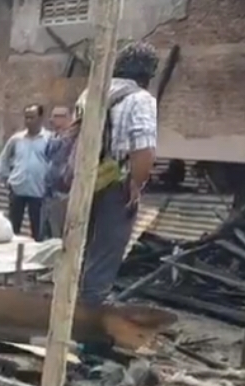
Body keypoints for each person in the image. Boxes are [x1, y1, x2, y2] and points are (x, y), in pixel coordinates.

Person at [74, 41, 160, 306]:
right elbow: (143, 150)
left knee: (82, 246)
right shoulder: (140, 99)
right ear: (148, 72)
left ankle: (72, 304)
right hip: (116, 185)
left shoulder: (89, 93)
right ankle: (91, 313)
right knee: (106, 251)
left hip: (83, 181)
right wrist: (136, 184)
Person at [0, 104, 51, 241]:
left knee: (38, 230)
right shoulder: (16, 139)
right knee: (13, 227)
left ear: (40, 118)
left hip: (38, 190)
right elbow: (4, 157)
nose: (28, 121)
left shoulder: (49, 139)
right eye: (26, 117)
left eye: (32, 117)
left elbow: (53, 162)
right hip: (18, 188)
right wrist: (5, 177)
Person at [43, 107, 73, 238]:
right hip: (49, 190)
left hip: (63, 191)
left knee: (59, 231)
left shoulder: (71, 139)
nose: (52, 120)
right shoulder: (52, 137)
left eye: (57, 116)